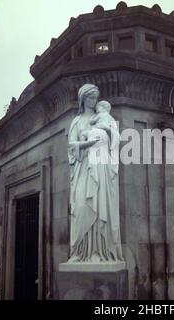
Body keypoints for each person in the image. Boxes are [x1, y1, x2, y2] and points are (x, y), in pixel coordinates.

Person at [67, 84, 123, 263]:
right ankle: (80, 252)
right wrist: (87, 144)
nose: (93, 101)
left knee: (101, 208)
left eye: (95, 97)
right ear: (83, 99)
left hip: (102, 166)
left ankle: (98, 251)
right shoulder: (76, 121)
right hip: (84, 167)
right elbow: (71, 145)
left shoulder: (105, 117)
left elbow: (115, 139)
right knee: (82, 206)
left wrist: (105, 132)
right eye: (90, 97)